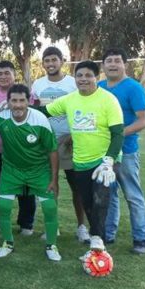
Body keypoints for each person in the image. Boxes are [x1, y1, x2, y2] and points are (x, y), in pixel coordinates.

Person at [39, 60, 124, 257]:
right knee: (87, 201)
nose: (83, 79)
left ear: (97, 77)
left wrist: (109, 160)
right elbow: (44, 111)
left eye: (88, 75)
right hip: (81, 162)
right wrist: (14, 107)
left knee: (100, 200)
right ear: (75, 78)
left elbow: (118, 134)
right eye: (80, 76)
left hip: (104, 162)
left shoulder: (108, 100)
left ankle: (98, 241)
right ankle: (96, 235)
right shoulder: (70, 100)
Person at [0, 84, 62, 262]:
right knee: (4, 207)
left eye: (21, 100)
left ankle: (51, 245)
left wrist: (54, 179)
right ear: (7, 102)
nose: (17, 105)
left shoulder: (39, 119)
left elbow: (52, 150)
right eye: (13, 100)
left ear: (28, 101)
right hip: (11, 170)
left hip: (38, 170)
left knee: (50, 207)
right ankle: (7, 243)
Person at [31, 46, 88, 242]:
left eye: (54, 60)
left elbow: (83, 109)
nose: (50, 64)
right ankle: (51, 227)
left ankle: (81, 227)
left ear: (62, 61)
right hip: (47, 144)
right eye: (47, 61)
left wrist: (73, 134)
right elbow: (35, 111)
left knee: (77, 187)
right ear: (43, 64)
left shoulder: (73, 83)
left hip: (71, 143)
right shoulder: (37, 85)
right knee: (50, 186)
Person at [99, 47, 145, 254]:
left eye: (117, 61)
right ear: (103, 66)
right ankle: (107, 235)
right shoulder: (99, 87)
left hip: (126, 152)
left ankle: (141, 238)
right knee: (108, 195)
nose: (112, 64)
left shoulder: (133, 88)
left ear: (124, 64)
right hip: (103, 153)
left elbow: (144, 120)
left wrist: (118, 135)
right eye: (108, 61)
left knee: (132, 195)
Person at [0, 60, 36, 236]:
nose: (3, 76)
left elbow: (35, 110)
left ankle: (26, 223)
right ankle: (0, 220)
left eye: (7, 73)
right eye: (0, 73)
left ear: (14, 75)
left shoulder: (24, 92)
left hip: (21, 150)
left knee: (25, 187)